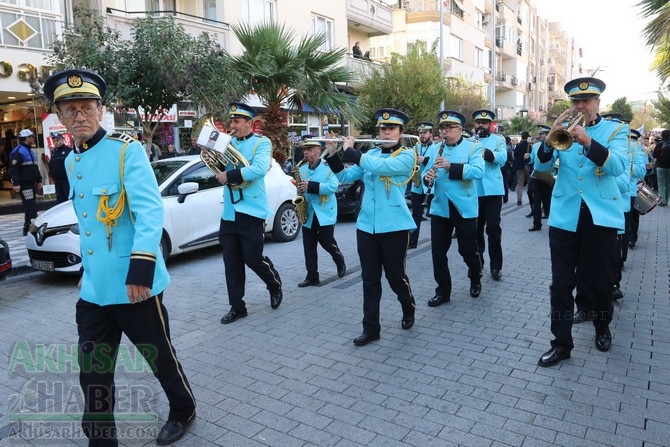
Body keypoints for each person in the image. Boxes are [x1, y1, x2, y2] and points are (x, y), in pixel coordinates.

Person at [42, 68, 196, 445]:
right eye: (69, 109)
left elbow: (149, 212)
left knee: (158, 357)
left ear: (101, 110)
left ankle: (183, 408)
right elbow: (89, 223)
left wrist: (141, 271)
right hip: (94, 290)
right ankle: (101, 438)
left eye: (86, 107)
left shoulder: (125, 150)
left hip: (135, 286)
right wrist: (86, 269)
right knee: (92, 372)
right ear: (59, 117)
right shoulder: (70, 162)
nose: (79, 115)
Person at [533, 77, 628, 367]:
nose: (581, 106)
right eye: (576, 101)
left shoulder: (615, 131)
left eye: (586, 101)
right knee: (561, 284)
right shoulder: (561, 130)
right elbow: (541, 167)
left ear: (598, 103)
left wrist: (587, 141)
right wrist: (551, 138)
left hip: (600, 217)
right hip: (565, 216)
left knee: (600, 282)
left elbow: (619, 167)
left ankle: (602, 327)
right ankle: (561, 343)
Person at [324, 108, 417, 346]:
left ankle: (408, 306)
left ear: (400, 132)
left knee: (396, 276)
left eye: (391, 129)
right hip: (367, 227)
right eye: (383, 129)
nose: (386, 133)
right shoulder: (371, 154)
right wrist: (334, 154)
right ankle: (371, 328)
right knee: (370, 279)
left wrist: (353, 152)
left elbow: (380, 168)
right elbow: (345, 178)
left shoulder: (407, 156)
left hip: (395, 226)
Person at [217, 101, 283, 324]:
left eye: (237, 121)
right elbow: (217, 167)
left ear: (250, 123)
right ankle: (238, 307)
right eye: (231, 121)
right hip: (229, 211)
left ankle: (274, 284)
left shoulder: (261, 143)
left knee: (253, 259)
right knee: (231, 263)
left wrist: (231, 176)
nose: (232, 125)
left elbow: (259, 169)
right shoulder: (226, 142)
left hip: (251, 210)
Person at [424, 110, 484, 307]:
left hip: (463, 206)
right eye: (442, 127)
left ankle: (475, 276)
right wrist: (427, 178)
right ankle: (443, 291)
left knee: (467, 250)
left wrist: (451, 166)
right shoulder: (434, 148)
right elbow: (425, 173)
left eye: (448, 127)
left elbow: (477, 171)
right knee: (438, 253)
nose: (444, 131)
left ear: (459, 129)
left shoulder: (473, 147)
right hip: (440, 206)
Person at [296, 138, 346, 287]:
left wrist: (311, 186)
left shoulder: (329, 167)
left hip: (324, 213)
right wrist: (298, 202)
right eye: (305, 149)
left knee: (327, 243)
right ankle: (312, 276)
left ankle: (339, 260)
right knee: (309, 247)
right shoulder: (302, 169)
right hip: (309, 213)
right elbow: (300, 190)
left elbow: (332, 187)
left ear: (319, 151)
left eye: (310, 149)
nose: (306, 153)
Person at [472, 110, 507, 281]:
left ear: (490, 124)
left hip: (493, 191)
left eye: (484, 123)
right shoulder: (469, 141)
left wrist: (482, 149)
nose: (481, 126)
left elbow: (501, 159)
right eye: (478, 122)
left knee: (493, 229)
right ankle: (478, 261)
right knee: (476, 229)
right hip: (475, 191)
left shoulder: (499, 140)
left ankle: (496, 266)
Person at [9, 129, 42, 236]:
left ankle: (27, 227)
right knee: (30, 205)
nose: (33, 139)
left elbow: (35, 168)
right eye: (32, 137)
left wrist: (39, 180)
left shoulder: (30, 151)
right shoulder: (18, 151)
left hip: (31, 183)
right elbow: (14, 169)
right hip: (24, 184)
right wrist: (16, 183)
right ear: (27, 138)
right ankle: (35, 226)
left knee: (30, 205)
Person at [408, 121, 437, 249]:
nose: (422, 135)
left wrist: (424, 160)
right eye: (420, 133)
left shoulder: (436, 147)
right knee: (416, 214)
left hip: (431, 187)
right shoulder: (416, 147)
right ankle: (413, 241)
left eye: (425, 132)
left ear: (431, 133)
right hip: (417, 186)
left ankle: (437, 240)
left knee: (435, 215)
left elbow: (436, 162)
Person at [527, 125, 553, 231]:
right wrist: (527, 158)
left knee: (549, 200)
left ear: (547, 135)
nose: (539, 136)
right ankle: (537, 224)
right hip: (536, 176)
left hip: (548, 177)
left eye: (541, 134)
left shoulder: (554, 144)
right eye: (540, 134)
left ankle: (552, 223)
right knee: (536, 201)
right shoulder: (535, 145)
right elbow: (532, 160)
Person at [48, 132, 73, 204]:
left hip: (67, 181)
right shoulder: (54, 153)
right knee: (60, 201)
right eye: (54, 141)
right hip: (57, 182)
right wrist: (51, 176)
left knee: (68, 200)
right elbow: (51, 165)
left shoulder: (69, 151)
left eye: (58, 140)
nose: (56, 142)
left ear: (62, 140)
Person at [512, 132, 530, 206]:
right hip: (528, 165)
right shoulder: (530, 145)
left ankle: (519, 200)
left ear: (522, 137)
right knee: (530, 183)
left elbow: (515, 155)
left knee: (520, 184)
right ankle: (532, 198)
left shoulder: (518, 145)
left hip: (519, 166)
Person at [653, 129, 670, 206]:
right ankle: (668, 200)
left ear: (662, 135)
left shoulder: (659, 144)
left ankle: (662, 201)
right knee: (668, 183)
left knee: (661, 183)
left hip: (660, 166)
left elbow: (654, 155)